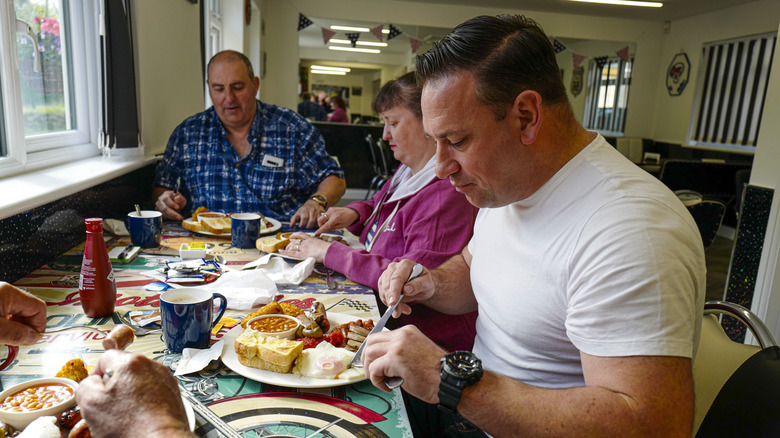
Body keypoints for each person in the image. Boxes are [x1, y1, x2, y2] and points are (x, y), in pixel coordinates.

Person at [361, 15, 706, 437]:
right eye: (435, 141)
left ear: (525, 115)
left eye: (457, 140)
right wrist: (429, 282)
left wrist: (447, 380)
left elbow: (655, 425)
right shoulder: (508, 183)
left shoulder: (631, 229)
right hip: (471, 416)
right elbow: (472, 268)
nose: (440, 168)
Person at [281, 72, 479, 353]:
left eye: (393, 123)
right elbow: (379, 205)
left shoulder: (443, 197)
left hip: (424, 341)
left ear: (429, 123)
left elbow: (404, 281)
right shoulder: (407, 171)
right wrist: (353, 214)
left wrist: (327, 253)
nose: (385, 135)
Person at [154, 50, 346, 229]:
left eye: (237, 87)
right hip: (207, 247)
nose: (229, 98)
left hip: (280, 243)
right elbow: (163, 187)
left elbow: (334, 178)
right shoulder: (187, 134)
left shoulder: (292, 129)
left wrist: (316, 202)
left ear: (255, 85)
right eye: (219, 89)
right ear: (209, 88)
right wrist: (167, 200)